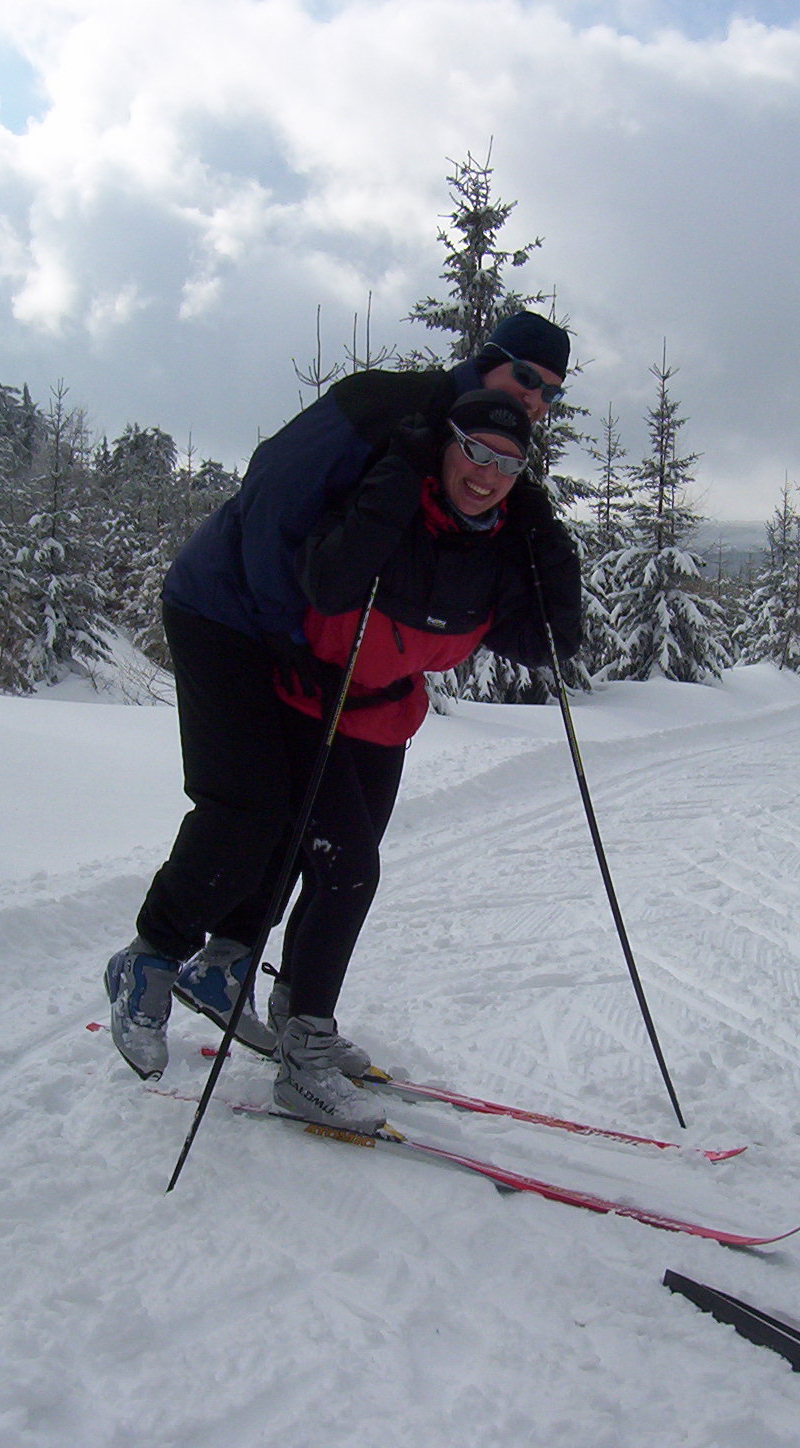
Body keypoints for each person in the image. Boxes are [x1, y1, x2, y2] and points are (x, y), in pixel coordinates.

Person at [103, 317, 578, 1115]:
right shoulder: (382, 407)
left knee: (300, 823)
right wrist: (291, 640)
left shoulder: (471, 451)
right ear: (488, 361)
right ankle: (150, 959)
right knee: (249, 810)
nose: (532, 400)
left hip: (312, 648)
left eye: (549, 394)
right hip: (229, 611)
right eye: (525, 378)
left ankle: (228, 966)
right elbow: (270, 502)